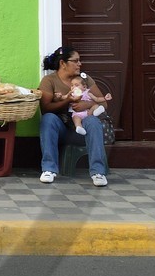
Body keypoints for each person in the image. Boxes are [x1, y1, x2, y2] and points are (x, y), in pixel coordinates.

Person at [37, 46, 113, 187]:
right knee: (48, 119)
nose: (80, 64)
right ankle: (49, 169)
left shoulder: (85, 79)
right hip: (63, 130)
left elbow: (104, 105)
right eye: (76, 61)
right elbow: (45, 108)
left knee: (93, 121)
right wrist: (68, 101)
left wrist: (86, 104)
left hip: (84, 130)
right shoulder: (50, 81)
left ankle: (98, 172)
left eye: (80, 61)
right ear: (63, 64)